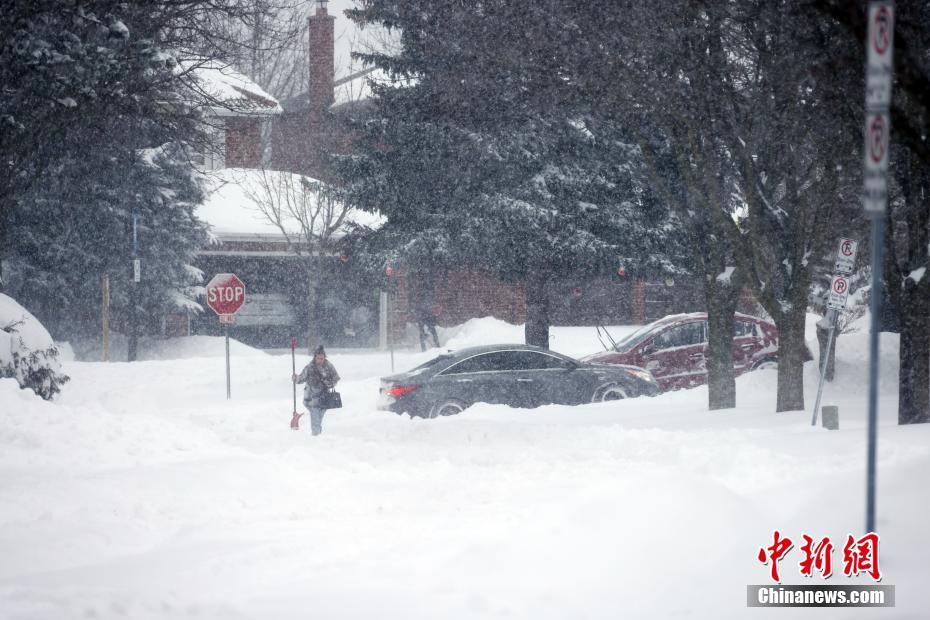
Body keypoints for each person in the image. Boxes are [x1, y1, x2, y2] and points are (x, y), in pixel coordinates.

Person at [294, 345, 340, 436]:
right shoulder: (309, 367)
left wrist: (328, 382)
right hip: (311, 398)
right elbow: (301, 379)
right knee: (315, 420)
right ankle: (316, 437)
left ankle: (317, 437)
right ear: (315, 357)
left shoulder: (329, 366)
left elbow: (336, 378)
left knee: (318, 420)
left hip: (324, 399)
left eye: (322, 358)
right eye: (318, 358)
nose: (320, 360)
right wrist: (296, 378)